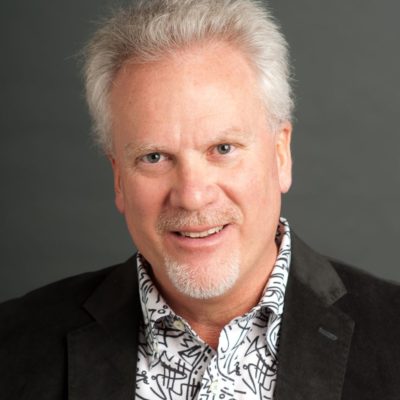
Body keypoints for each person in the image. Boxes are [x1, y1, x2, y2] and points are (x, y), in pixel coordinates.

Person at [1, 0, 399, 399]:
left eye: (223, 149)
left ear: (281, 155)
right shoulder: (14, 347)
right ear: (119, 177)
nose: (192, 196)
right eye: (154, 157)